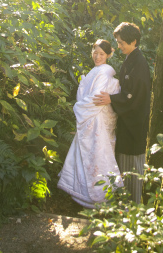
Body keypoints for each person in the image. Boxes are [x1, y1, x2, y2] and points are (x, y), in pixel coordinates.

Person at [58, 39, 123, 208]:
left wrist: (78, 106)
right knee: (92, 155)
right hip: (93, 120)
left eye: (102, 54)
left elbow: (96, 98)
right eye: (95, 52)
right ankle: (86, 196)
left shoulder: (103, 73)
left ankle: (97, 197)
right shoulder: (98, 71)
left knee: (97, 155)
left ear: (109, 54)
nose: (97, 56)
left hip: (96, 121)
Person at [93, 22, 151, 204]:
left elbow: (135, 97)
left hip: (135, 124)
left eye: (121, 43)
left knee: (133, 166)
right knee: (123, 165)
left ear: (134, 41)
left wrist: (112, 99)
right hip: (127, 123)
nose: (118, 46)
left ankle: (134, 207)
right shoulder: (130, 59)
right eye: (118, 42)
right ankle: (125, 205)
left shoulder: (140, 64)